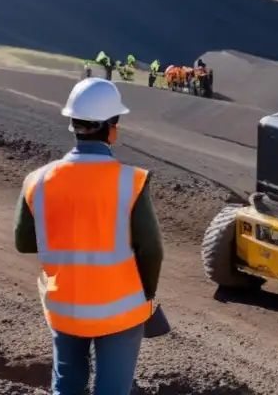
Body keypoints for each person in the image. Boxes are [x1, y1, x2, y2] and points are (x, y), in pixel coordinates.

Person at [14, 78, 165, 395]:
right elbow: (151, 250)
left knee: (67, 385)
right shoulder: (131, 181)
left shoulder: (37, 180)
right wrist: (146, 295)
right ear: (112, 127)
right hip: (120, 313)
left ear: (73, 125)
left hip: (64, 306)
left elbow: (24, 242)